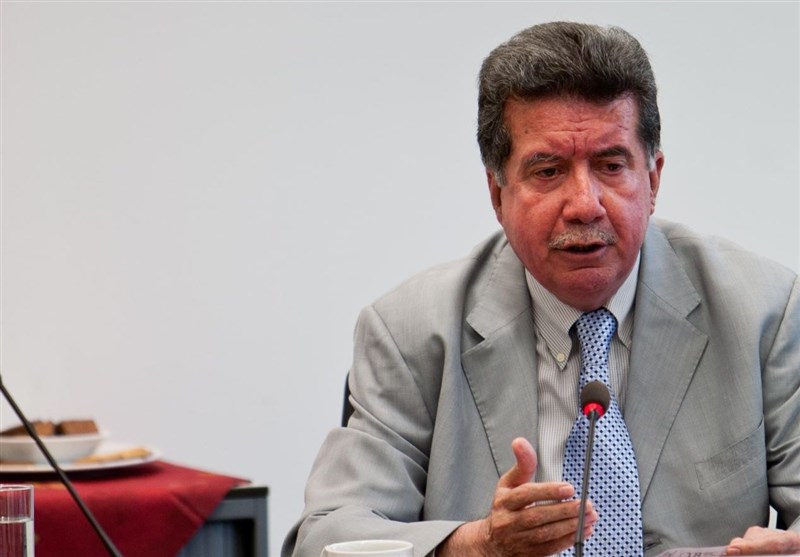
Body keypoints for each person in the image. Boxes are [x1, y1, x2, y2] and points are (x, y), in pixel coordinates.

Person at [282, 21, 800, 557]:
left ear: (653, 180)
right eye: (548, 171)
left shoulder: (763, 311)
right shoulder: (410, 332)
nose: (584, 205)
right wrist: (477, 545)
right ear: (497, 193)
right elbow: (324, 537)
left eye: (611, 165)